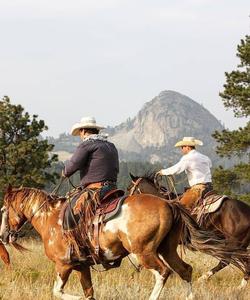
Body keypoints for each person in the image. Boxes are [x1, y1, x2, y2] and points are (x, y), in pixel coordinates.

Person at [62, 116, 119, 193]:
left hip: (96, 189)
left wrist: (65, 172)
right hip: (113, 188)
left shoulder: (86, 144)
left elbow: (74, 164)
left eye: (80, 132)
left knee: (72, 204)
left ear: (84, 131)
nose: (80, 135)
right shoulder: (111, 145)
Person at [157, 137, 213, 208]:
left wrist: (163, 172)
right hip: (210, 188)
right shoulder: (205, 157)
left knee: (180, 207)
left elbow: (176, 169)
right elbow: (210, 165)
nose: (181, 149)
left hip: (198, 189)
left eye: (182, 147)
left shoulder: (187, 158)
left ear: (188, 147)